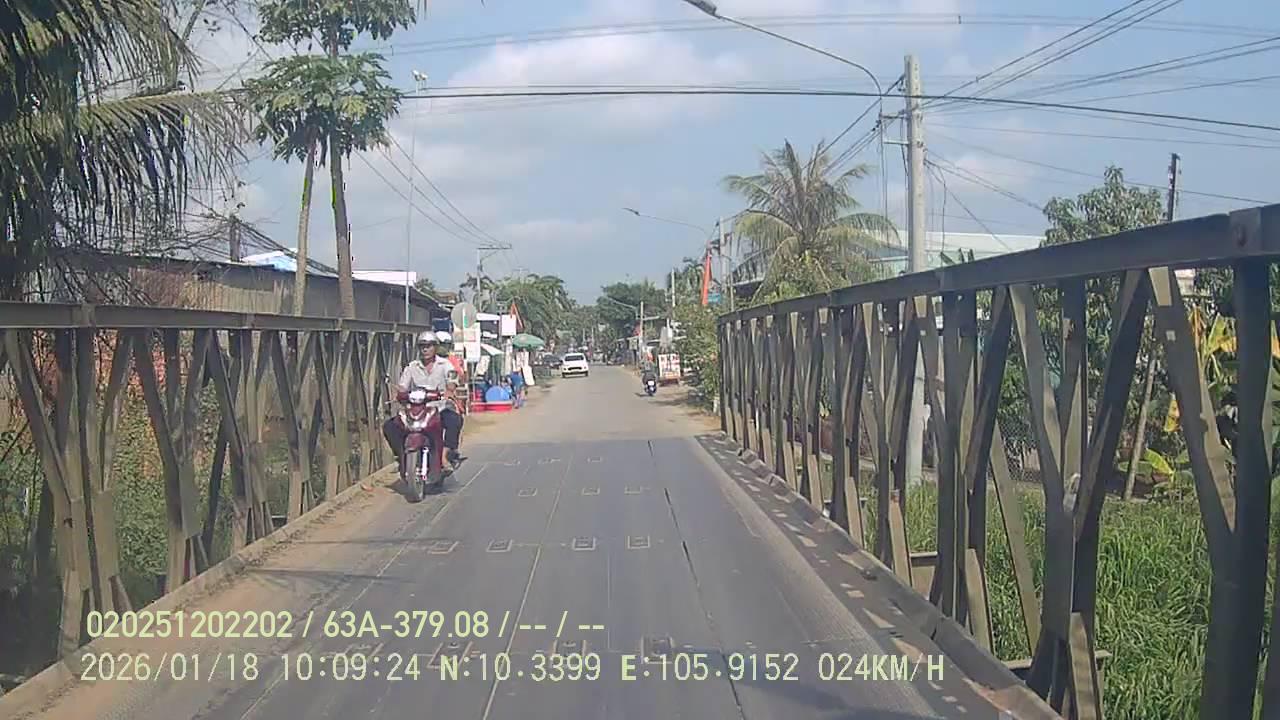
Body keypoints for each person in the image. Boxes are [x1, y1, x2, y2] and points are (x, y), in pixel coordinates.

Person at [383, 331, 465, 469]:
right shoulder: (412, 367)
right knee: (390, 426)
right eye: (422, 346)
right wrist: (398, 394)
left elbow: (452, 379)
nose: (425, 349)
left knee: (454, 420)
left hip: (439, 408)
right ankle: (401, 456)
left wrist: (449, 390)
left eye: (429, 346)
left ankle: (444, 455)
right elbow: (403, 386)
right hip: (417, 410)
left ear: (435, 347)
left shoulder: (445, 364)